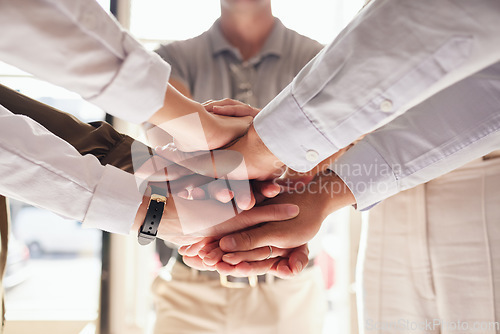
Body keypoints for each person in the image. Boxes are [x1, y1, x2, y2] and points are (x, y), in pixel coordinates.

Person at [151, 1, 327, 333]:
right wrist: (286, 150)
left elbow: (340, 157)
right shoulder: (167, 62)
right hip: (190, 291)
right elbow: (173, 161)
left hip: (289, 294)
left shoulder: (321, 62)